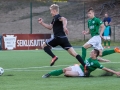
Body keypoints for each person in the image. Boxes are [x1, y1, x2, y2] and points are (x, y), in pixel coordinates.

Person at [38, 4, 85, 68]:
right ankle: (85, 66)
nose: (50, 12)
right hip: (64, 39)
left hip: (58, 38)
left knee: (43, 45)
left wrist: (64, 26)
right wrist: (41, 23)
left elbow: (64, 19)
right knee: (74, 53)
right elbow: (50, 27)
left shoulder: (57, 16)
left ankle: (54, 57)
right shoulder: (54, 19)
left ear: (54, 11)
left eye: (51, 11)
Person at [42, 49, 120, 78]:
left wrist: (115, 72)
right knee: (64, 69)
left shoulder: (96, 63)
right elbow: (98, 59)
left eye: (92, 52)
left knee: (66, 73)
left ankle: (78, 76)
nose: (91, 52)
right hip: (78, 67)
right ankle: (49, 74)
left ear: (95, 54)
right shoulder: (93, 58)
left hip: (81, 72)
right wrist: (105, 60)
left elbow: (105, 68)